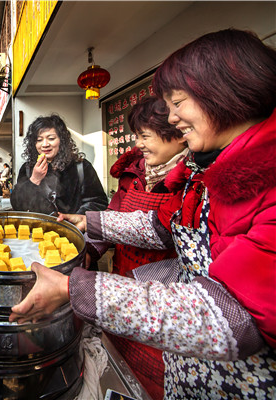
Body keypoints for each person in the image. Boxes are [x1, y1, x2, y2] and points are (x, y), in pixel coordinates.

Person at [10, 29, 276, 399]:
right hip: (187, 366)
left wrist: (77, 287)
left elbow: (231, 318)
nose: (173, 117)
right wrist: (90, 225)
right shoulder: (205, 172)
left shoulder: (265, 181)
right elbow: (163, 226)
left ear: (225, 96)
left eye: (178, 102)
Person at [63, 96, 188, 399]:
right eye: (137, 135)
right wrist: (90, 252)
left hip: (167, 304)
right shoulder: (133, 173)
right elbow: (114, 217)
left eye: (146, 135)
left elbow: (162, 232)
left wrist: (89, 222)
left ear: (176, 133)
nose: (139, 143)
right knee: (119, 371)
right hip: (119, 289)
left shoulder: (192, 181)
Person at [10, 114, 108, 215]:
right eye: (39, 140)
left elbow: (98, 202)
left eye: (51, 138)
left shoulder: (81, 166)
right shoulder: (27, 168)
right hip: (39, 228)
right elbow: (18, 205)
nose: (45, 144)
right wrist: (34, 179)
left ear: (62, 140)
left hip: (72, 228)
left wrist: (75, 219)